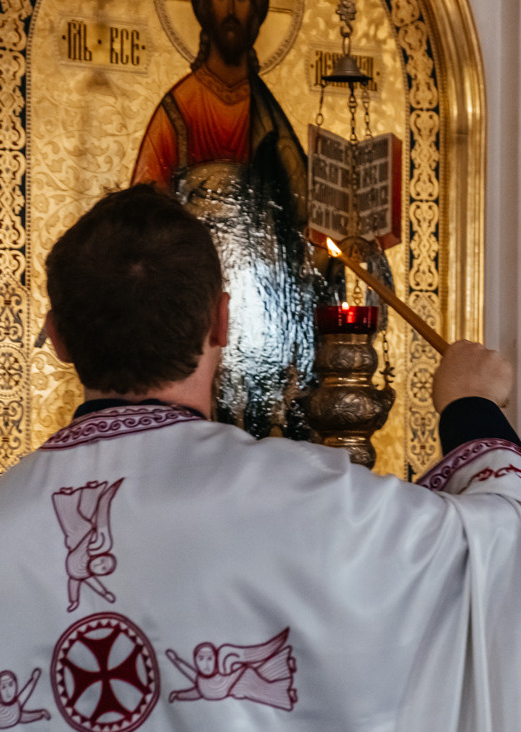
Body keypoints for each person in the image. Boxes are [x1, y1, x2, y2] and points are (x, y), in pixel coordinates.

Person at [0, 185, 521, 732]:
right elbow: (508, 540)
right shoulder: (313, 503)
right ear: (222, 320)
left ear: (56, 336)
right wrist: (469, 405)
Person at [132, 0, 313, 439]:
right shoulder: (179, 110)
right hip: (194, 305)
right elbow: (140, 222)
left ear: (261, 12)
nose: (232, 10)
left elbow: (303, 221)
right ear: (200, 8)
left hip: (267, 311)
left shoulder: (270, 117)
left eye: (245, 0)